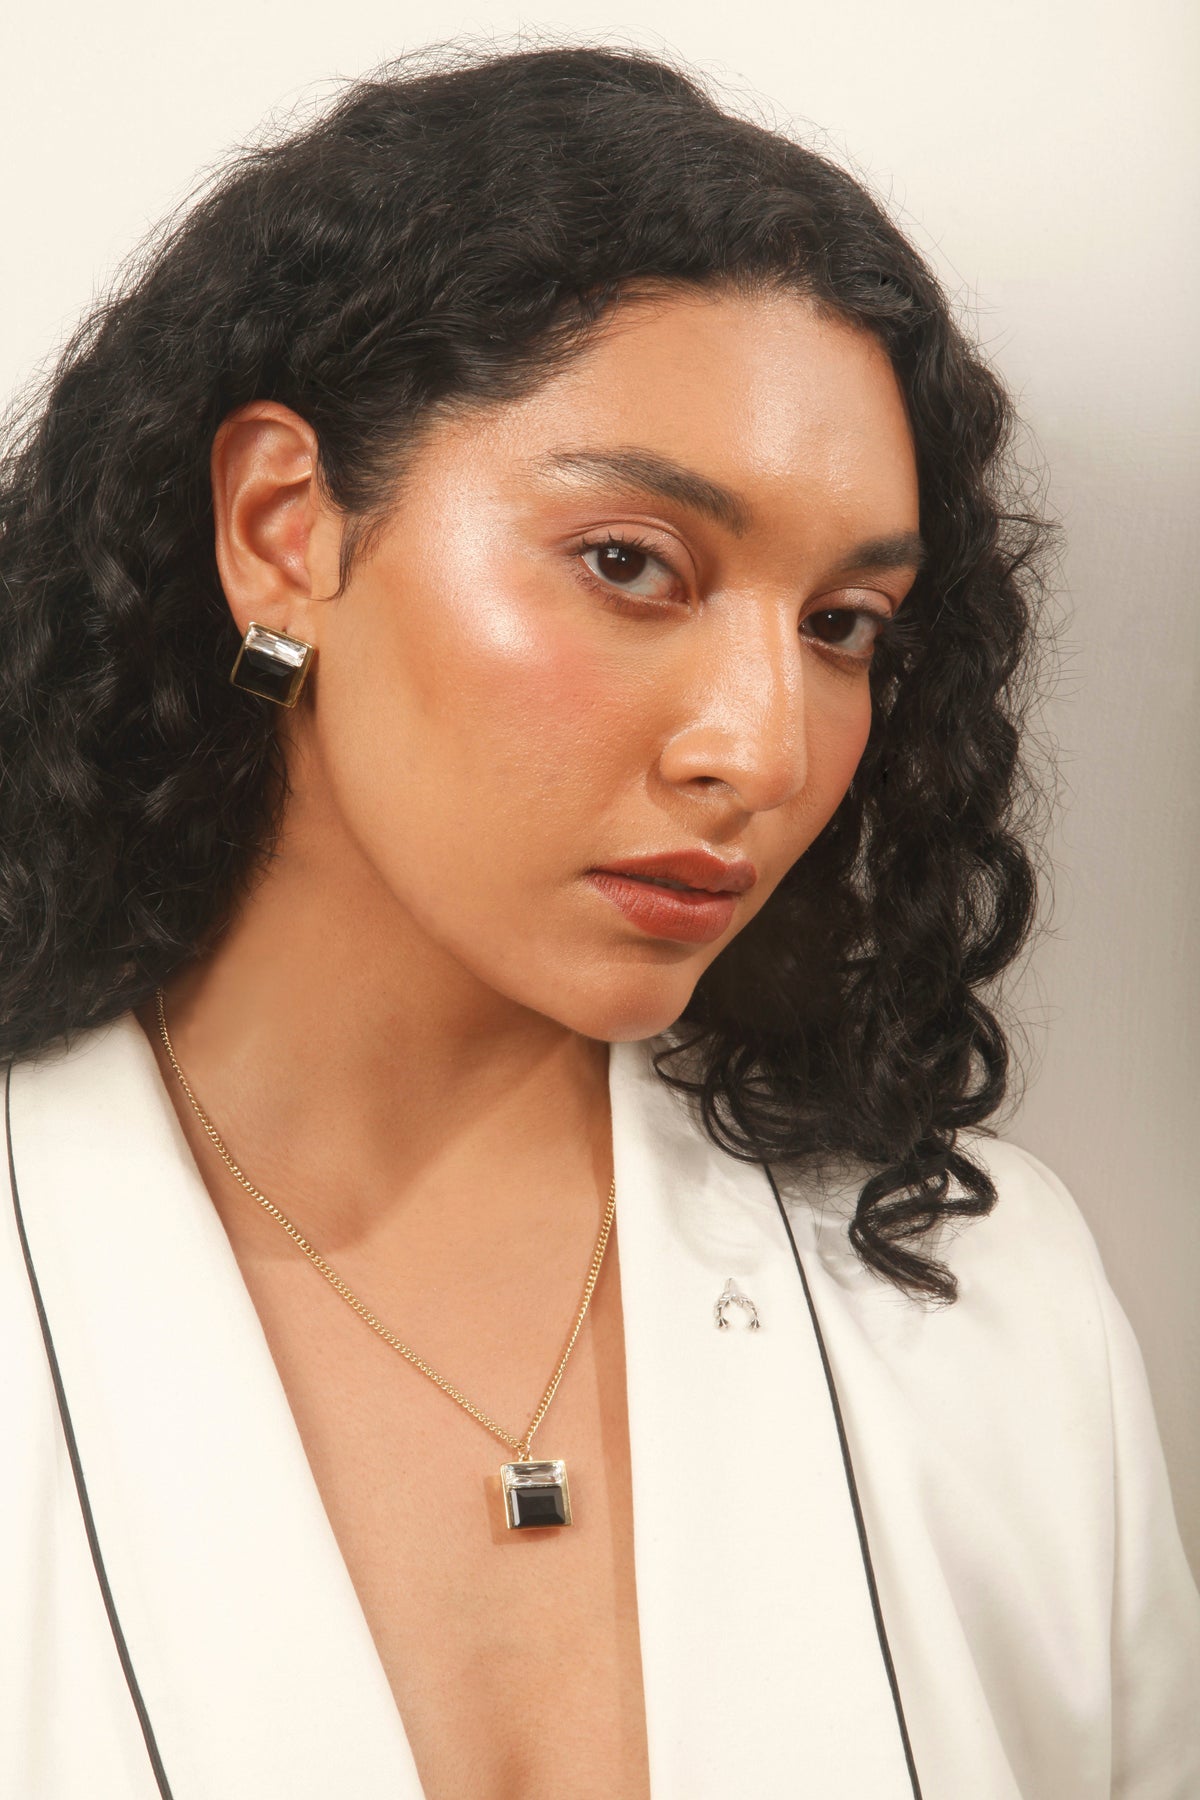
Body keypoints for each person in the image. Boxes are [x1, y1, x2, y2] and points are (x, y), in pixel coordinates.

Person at [0, 41, 1196, 1800]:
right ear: (282, 530)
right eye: (632, 563)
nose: (760, 752)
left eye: (843, 626)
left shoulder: (983, 1306)